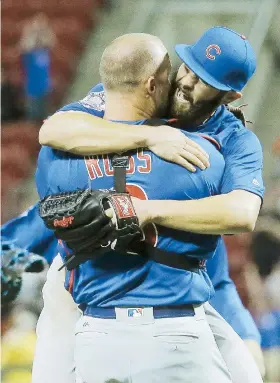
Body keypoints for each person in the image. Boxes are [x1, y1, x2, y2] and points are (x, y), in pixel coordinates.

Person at [39, 26, 265, 378]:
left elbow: (242, 212)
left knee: (247, 372)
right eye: (187, 66)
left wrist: (146, 210)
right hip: (89, 270)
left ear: (230, 95)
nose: (186, 81)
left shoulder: (233, 138)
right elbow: (52, 130)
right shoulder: (140, 94)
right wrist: (149, 134)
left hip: (172, 279)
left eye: (202, 78)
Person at [20, 13, 55, 122]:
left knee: (45, 118)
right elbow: (25, 44)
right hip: (32, 88)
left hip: (45, 87)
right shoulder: (29, 52)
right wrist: (33, 30)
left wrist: (43, 29)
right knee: (32, 117)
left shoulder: (45, 51)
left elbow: (50, 41)